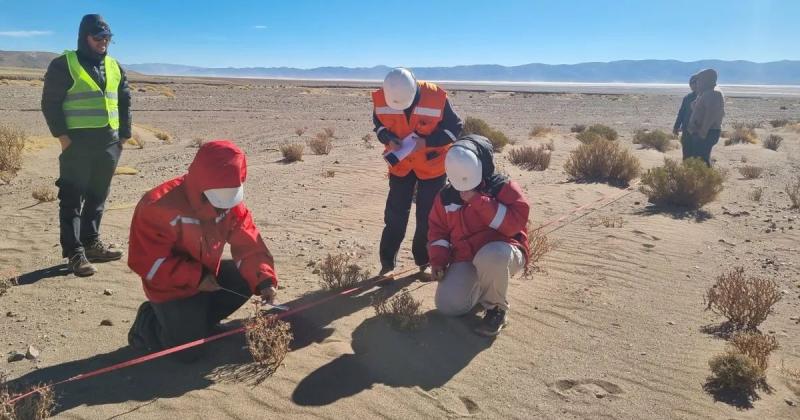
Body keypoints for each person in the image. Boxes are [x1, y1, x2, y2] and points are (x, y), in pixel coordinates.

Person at [127, 140, 278, 362]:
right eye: (219, 199)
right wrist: (196, 277)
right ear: (201, 185)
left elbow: (248, 243)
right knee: (188, 354)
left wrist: (264, 280)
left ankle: (193, 323)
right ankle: (149, 323)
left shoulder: (232, 206)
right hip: (170, 288)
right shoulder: (157, 206)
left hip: (207, 276)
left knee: (247, 277)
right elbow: (148, 263)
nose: (224, 207)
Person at [41, 14, 131, 276]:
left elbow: (125, 101)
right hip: (77, 145)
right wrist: (63, 138)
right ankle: (75, 253)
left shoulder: (114, 66)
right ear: (84, 37)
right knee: (71, 199)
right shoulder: (63, 65)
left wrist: (123, 136)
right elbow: (50, 104)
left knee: (97, 196)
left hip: (109, 143)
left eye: (107, 38)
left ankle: (91, 243)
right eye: (98, 37)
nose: (104, 42)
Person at [427, 135, 530, 336]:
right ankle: (484, 290)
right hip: (466, 258)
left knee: (491, 256)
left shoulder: (502, 187)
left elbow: (512, 226)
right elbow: (437, 230)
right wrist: (438, 261)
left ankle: (496, 309)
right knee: (448, 306)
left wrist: (479, 201)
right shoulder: (446, 196)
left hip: (504, 252)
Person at [372, 68, 463, 278]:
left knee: (428, 216)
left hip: (431, 166)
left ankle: (425, 261)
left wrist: (428, 142)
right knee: (394, 216)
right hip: (401, 165)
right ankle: (387, 265)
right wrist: (387, 137)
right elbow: (378, 125)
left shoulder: (437, 97)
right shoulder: (382, 96)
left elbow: (454, 128)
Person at [687, 69, 725, 166]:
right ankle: (704, 178)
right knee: (700, 157)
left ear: (705, 80)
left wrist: (702, 132)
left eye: (699, 80)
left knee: (701, 159)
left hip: (707, 132)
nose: (697, 84)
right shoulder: (706, 92)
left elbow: (710, 115)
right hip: (703, 131)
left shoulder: (713, 93)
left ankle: (706, 179)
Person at [673, 75, 698, 160]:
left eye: (694, 83)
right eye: (691, 84)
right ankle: (686, 172)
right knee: (686, 154)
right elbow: (681, 113)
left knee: (698, 155)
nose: (692, 86)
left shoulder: (704, 97)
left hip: (699, 131)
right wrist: (676, 127)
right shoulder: (687, 98)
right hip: (686, 130)